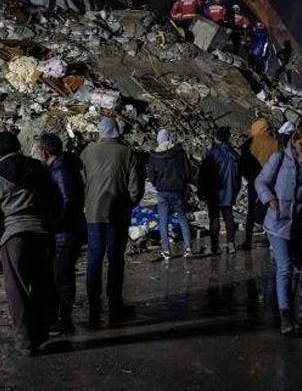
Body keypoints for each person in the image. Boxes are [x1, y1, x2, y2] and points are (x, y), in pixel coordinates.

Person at [0, 130, 58, 355]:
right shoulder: (40, 168)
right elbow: (56, 200)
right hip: (42, 233)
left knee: (18, 290)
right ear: (19, 146)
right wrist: (50, 225)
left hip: (14, 237)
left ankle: (25, 341)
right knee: (43, 284)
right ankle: (41, 332)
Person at [257, 126, 302, 336]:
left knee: (295, 269)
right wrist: (269, 199)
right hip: (277, 223)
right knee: (285, 267)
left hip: (300, 225)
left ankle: (289, 310)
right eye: (301, 143)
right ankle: (285, 315)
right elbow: (261, 181)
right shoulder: (279, 158)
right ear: (293, 142)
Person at [80, 117, 144, 328]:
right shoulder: (127, 153)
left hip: (94, 215)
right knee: (116, 260)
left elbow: (82, 184)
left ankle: (94, 307)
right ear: (117, 131)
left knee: (94, 260)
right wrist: (127, 206)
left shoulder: (87, 153)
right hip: (117, 215)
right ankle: (115, 304)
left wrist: (88, 205)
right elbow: (135, 188)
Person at [37, 132, 86, 335]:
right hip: (67, 231)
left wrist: (55, 224)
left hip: (65, 233)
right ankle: (59, 318)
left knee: (62, 279)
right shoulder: (64, 167)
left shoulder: (61, 171)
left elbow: (66, 202)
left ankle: (63, 320)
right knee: (61, 277)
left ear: (46, 151)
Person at [147, 128, 195, 258]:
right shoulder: (179, 153)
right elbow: (188, 172)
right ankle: (188, 248)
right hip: (178, 191)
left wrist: (158, 185)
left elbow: (151, 176)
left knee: (163, 220)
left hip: (162, 192)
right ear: (170, 138)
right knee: (182, 218)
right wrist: (183, 183)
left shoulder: (154, 156)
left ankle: (166, 250)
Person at [199, 126, 243, 254]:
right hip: (229, 190)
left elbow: (204, 173)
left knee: (214, 218)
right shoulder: (233, 154)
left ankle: (214, 246)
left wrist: (201, 189)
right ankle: (231, 243)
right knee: (228, 216)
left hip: (214, 190)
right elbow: (238, 174)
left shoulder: (213, 153)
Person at [238, 117, 278, 251]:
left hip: (253, 181)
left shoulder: (249, 143)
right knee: (270, 208)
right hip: (271, 182)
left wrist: (248, 176)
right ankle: (271, 238)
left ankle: (248, 240)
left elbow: (241, 162)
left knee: (251, 211)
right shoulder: (275, 143)